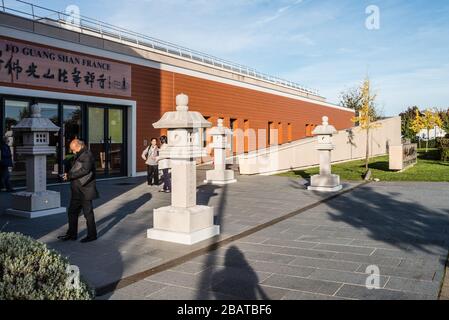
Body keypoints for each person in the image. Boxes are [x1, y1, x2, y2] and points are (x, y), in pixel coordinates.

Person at [58, 139, 99, 243]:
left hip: (85, 190)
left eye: (73, 149)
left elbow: (85, 170)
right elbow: (77, 167)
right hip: (77, 190)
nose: (72, 152)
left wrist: (70, 175)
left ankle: (92, 235)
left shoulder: (87, 154)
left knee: (88, 213)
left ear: (78, 146)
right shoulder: (80, 154)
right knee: (72, 211)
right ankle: (72, 234)